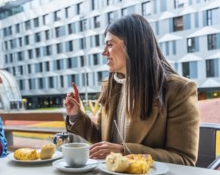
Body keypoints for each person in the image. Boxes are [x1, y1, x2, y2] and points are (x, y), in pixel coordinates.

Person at [65, 14, 199, 166]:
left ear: (133, 46)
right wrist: (75, 115)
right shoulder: (110, 86)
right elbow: (103, 142)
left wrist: (125, 152)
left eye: (109, 44)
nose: (104, 52)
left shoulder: (179, 91)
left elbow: (184, 160)